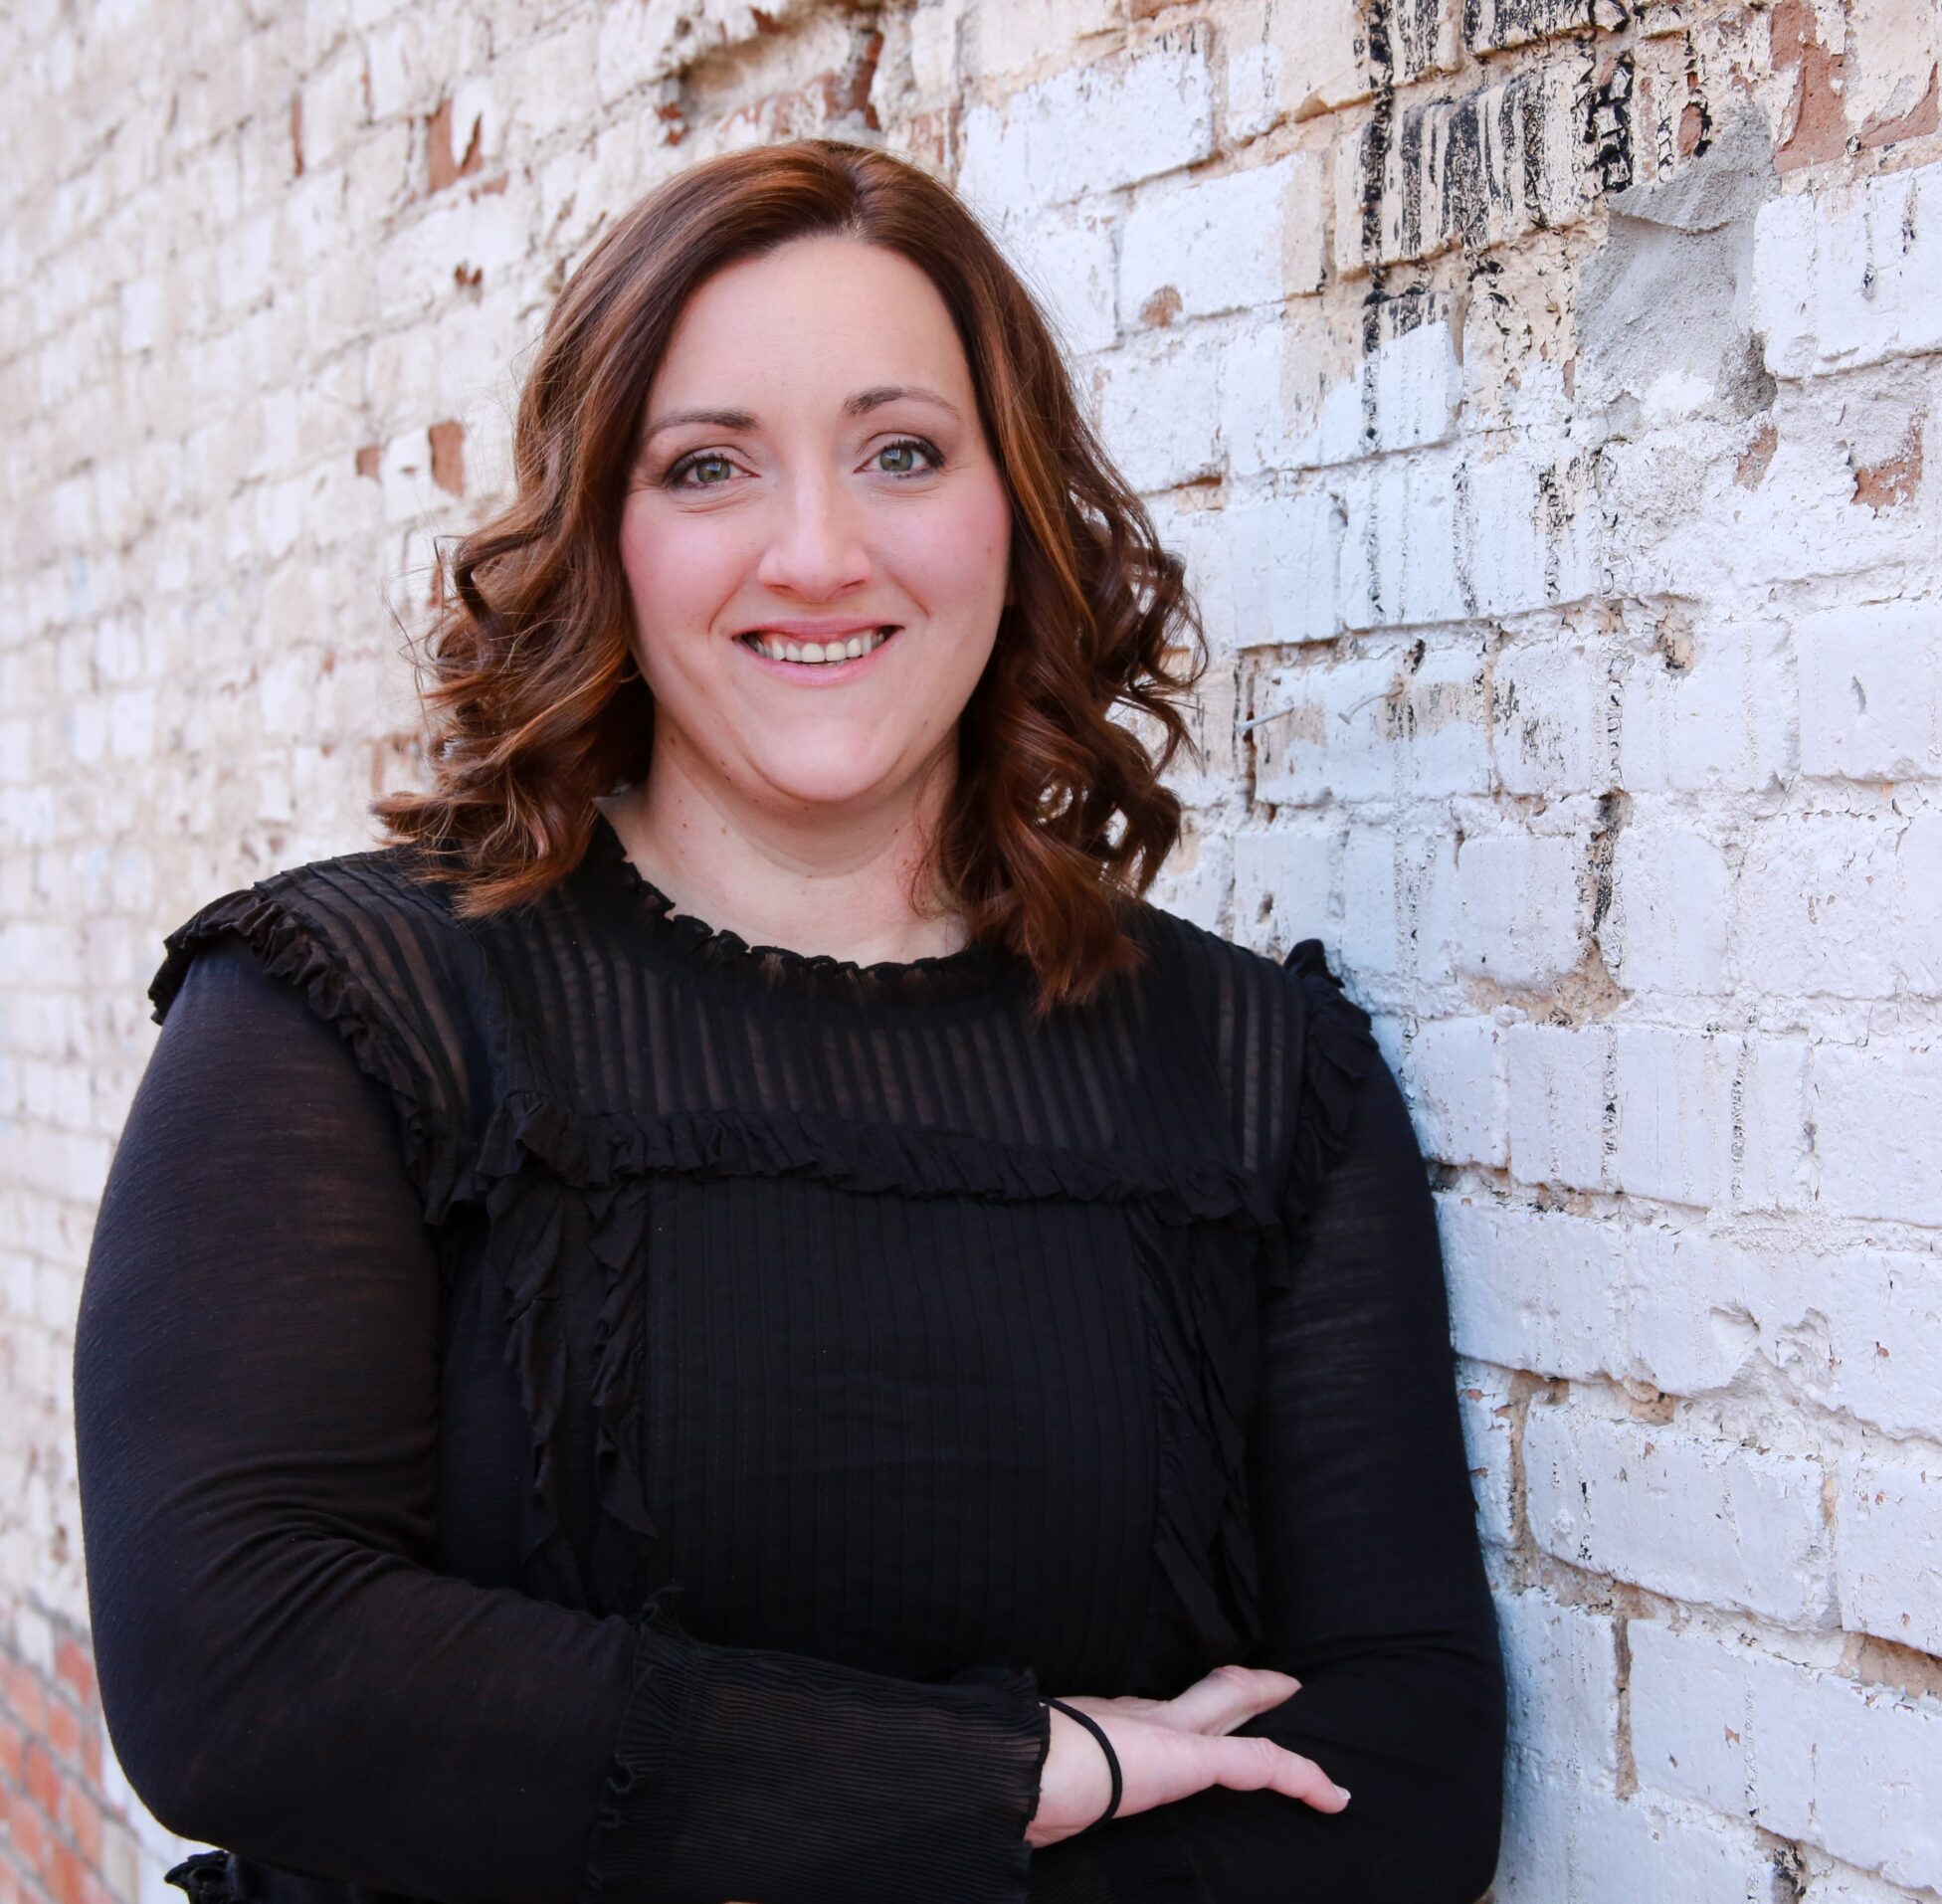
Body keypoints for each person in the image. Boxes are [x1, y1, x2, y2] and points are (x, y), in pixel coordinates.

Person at [71, 138, 1506, 1904]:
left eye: (901, 451)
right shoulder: (356, 1014)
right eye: (709, 466)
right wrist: (1013, 1772)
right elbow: (247, 1675)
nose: (818, 551)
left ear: (1017, 507)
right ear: (604, 525)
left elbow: (1400, 1769)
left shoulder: (1257, 1083)